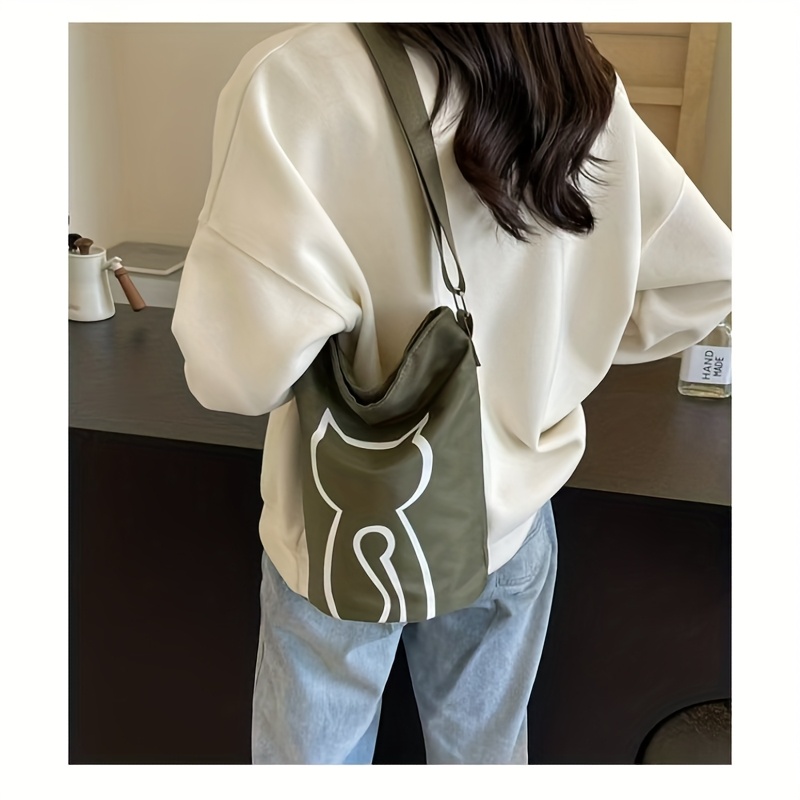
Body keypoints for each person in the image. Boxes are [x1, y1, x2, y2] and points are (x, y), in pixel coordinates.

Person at [171, 23, 731, 764]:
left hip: (345, 527)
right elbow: (706, 281)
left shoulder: (294, 77)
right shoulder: (574, 76)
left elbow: (232, 373)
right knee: (484, 761)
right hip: (513, 515)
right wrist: (558, 353)